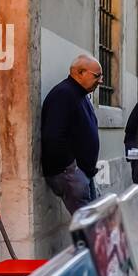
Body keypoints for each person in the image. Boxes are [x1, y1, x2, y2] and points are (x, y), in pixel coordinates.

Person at [41, 54, 102, 214]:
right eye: (97, 76)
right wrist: (73, 169)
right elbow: (53, 137)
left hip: (81, 174)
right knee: (88, 227)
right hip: (71, 174)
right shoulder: (63, 94)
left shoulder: (80, 94)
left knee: (93, 224)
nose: (101, 81)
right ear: (80, 72)